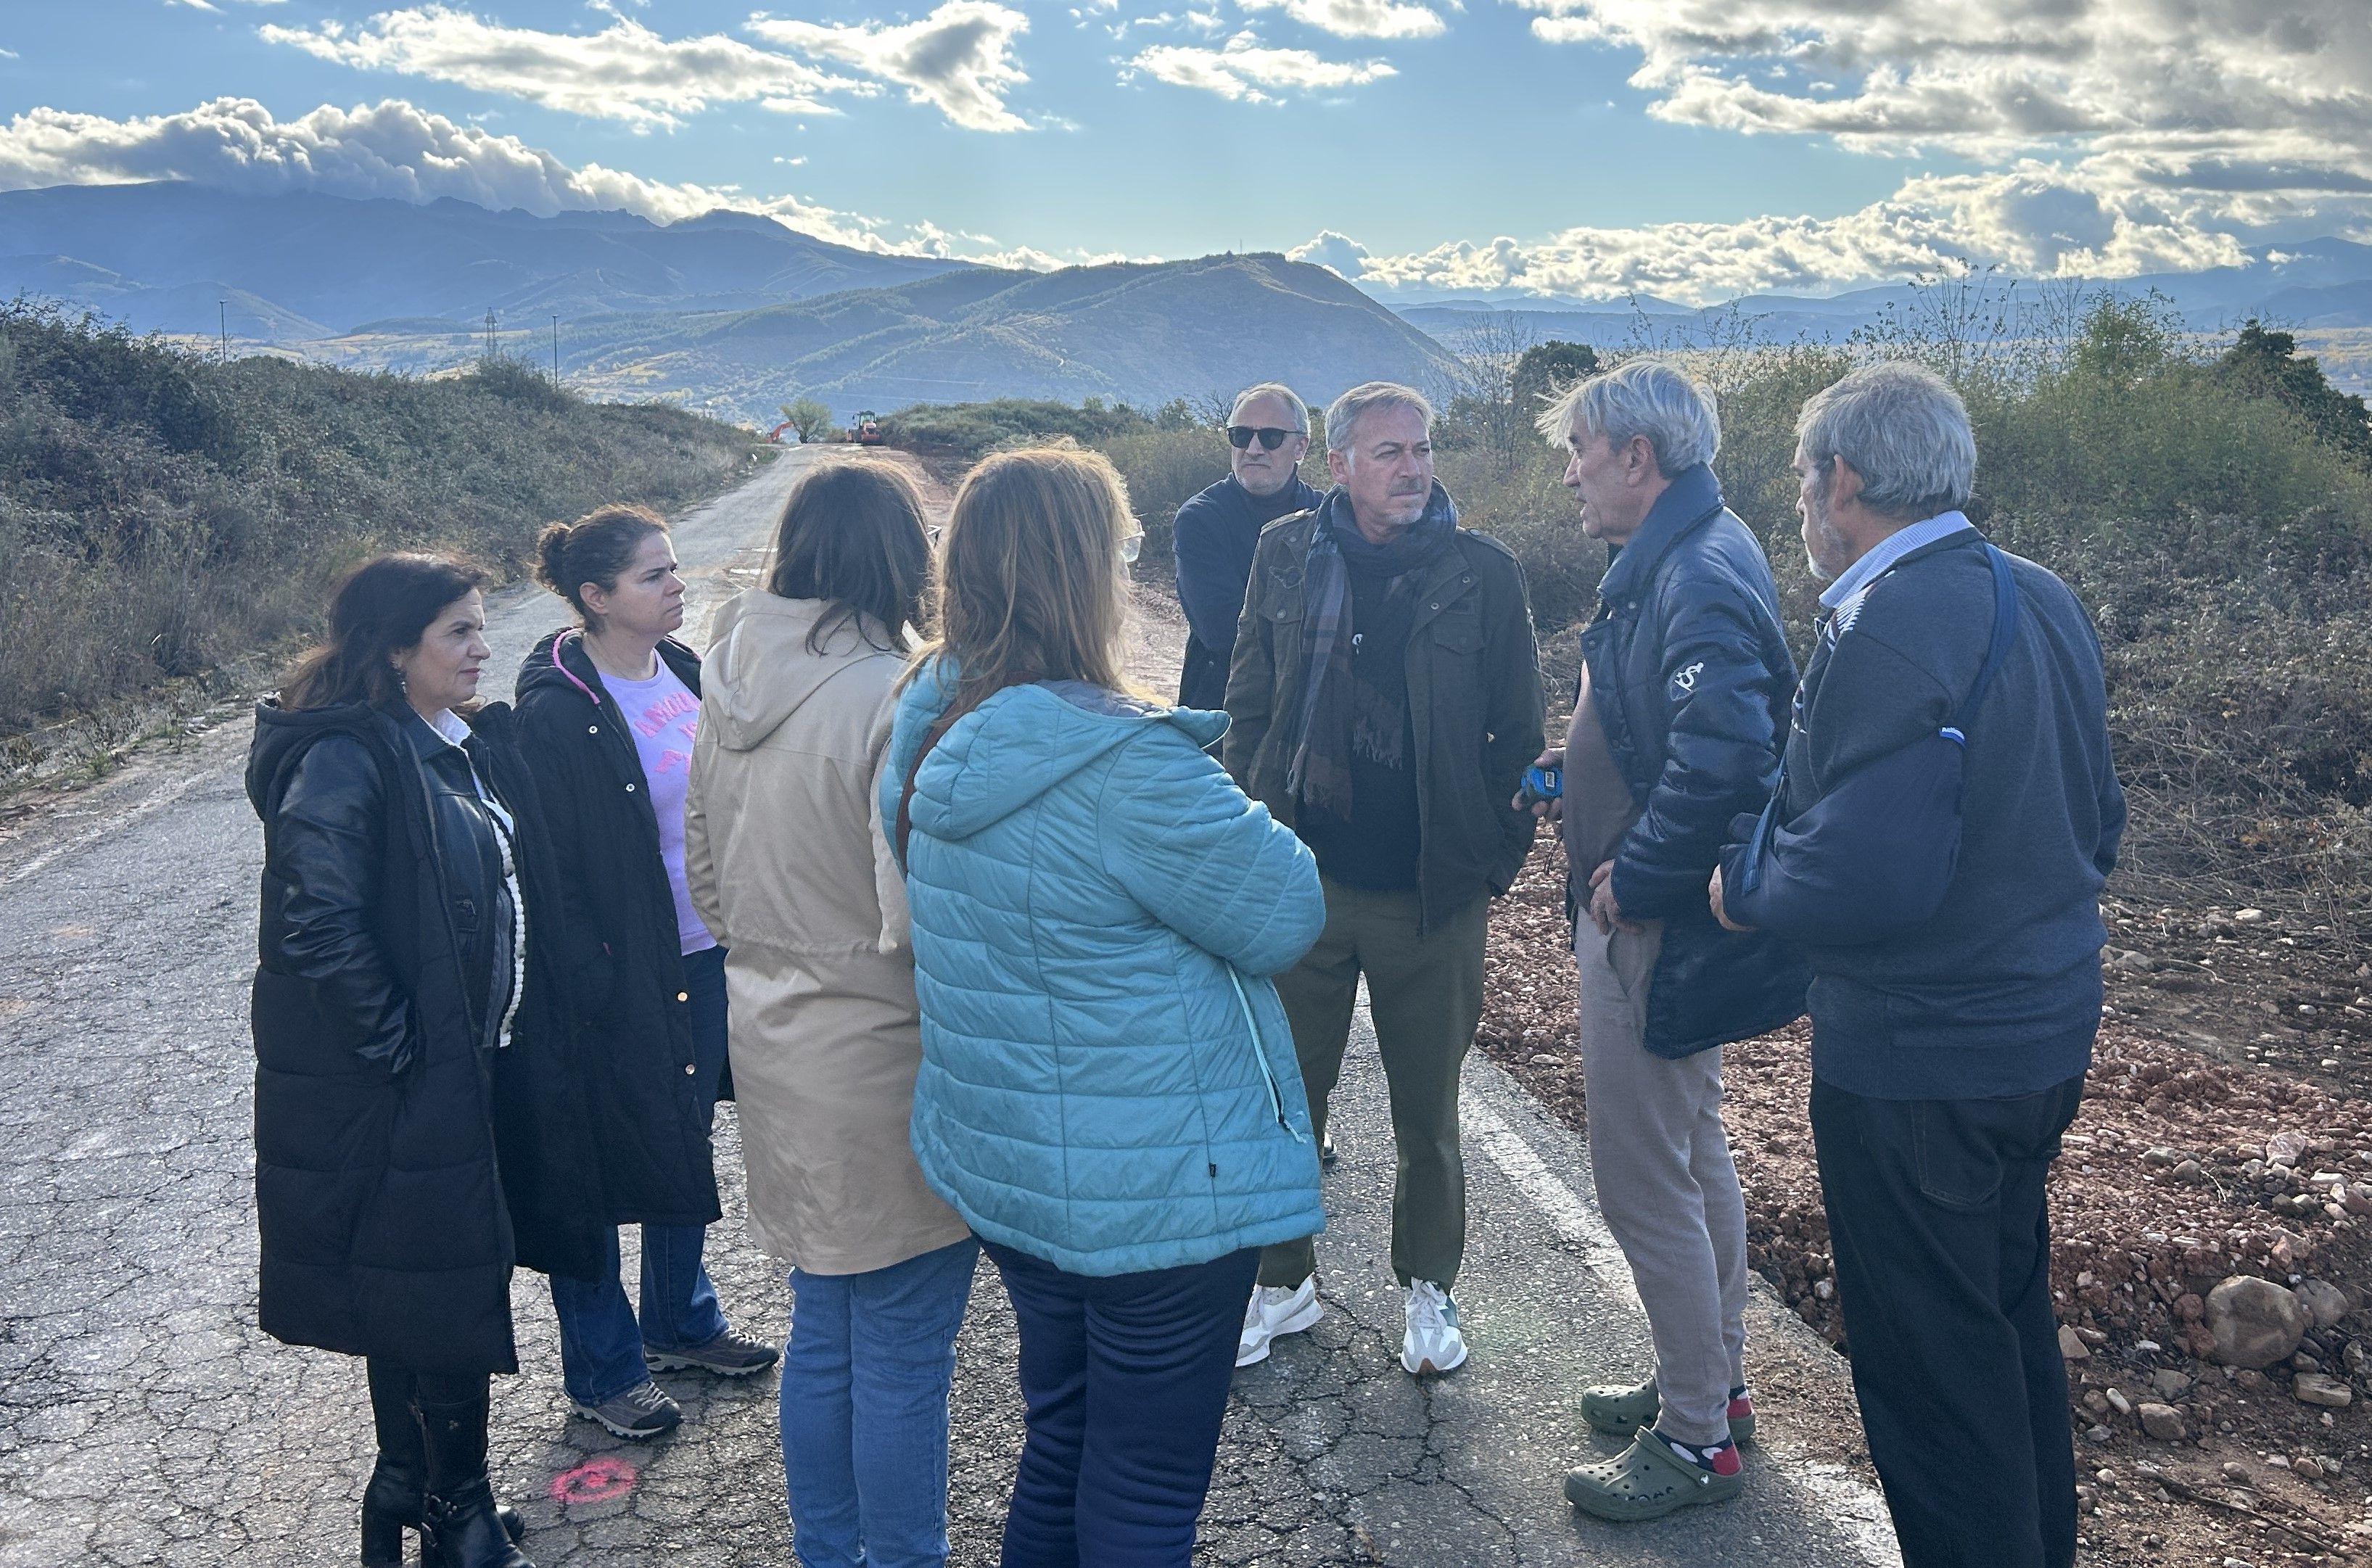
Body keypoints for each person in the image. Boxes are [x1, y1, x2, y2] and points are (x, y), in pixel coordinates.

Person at [884, 445, 1327, 1567]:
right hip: (1157, 1191)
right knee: (1143, 1483)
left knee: (1062, 1438)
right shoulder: (1130, 763)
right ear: (1086, 573)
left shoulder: (927, 717)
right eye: (1124, 549)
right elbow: (1282, 916)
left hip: (1015, 1169)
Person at [1713, 363, 2124, 1568]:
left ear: (1841, 479)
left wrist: (1744, 889)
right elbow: (2098, 819)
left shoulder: (1886, 619)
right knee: (2000, 1334)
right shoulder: (2035, 593)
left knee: (1935, 1389)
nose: (1798, 499)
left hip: (1919, 1066)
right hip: (2041, 1041)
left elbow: (1860, 877)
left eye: (1801, 474)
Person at [1519, 362, 1808, 1521]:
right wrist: (1562, 770)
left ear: (1636, 455)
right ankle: (1712, 1383)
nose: (1571, 470)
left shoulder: (1693, 567)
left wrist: (1631, 879)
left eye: (1581, 449)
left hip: (1655, 925)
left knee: (1642, 1179)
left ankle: (1694, 1440)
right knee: (1691, 1154)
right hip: (1664, 917)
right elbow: (1658, 727)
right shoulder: (1688, 549)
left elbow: (1727, 757)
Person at [684, 462, 977, 1568]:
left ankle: (829, 1551)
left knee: (826, 1326)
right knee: (904, 1345)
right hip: (881, 1048)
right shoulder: (897, 693)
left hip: (769, 1037)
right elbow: (921, 915)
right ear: (900, 559)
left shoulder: (727, 678)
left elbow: (704, 880)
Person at [1223, 381, 1545, 1374]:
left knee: (1427, 1113)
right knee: (1286, 1097)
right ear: (1340, 465)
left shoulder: (1481, 574)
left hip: (1428, 893)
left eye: (1423, 448)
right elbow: (1247, 700)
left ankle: (1429, 1289)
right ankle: (1283, 1282)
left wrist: (1489, 860)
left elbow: (1520, 738)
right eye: (1390, 451)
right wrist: (1249, 833)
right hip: (1301, 883)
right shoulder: (1283, 554)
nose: (1413, 468)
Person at [250, 553, 564, 1568]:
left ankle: (415, 1488)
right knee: (432, 1281)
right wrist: (404, 1047)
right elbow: (317, 923)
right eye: (459, 634)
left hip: (463, 1061)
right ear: (395, 648)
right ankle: (452, 1508)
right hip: (406, 1075)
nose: (483, 649)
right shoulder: (347, 756)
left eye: (481, 627)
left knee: (424, 1279)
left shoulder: (440, 740)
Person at [512, 506, 776, 1443]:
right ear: (595, 596)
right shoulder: (556, 710)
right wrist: (592, 973)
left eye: (673, 568)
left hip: (702, 957)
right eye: (653, 575)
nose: (676, 584)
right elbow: (548, 869)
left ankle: (679, 1322)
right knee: (590, 1168)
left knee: (682, 1139)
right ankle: (604, 1366)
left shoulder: (683, 669)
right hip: (614, 977)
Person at [1172, 382, 1325, 712]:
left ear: (1301, 447)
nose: (1253, 448)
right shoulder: (1200, 519)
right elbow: (1221, 632)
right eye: (1241, 436)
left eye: (1270, 437)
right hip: (1222, 714)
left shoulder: (1326, 516)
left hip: (1309, 713)